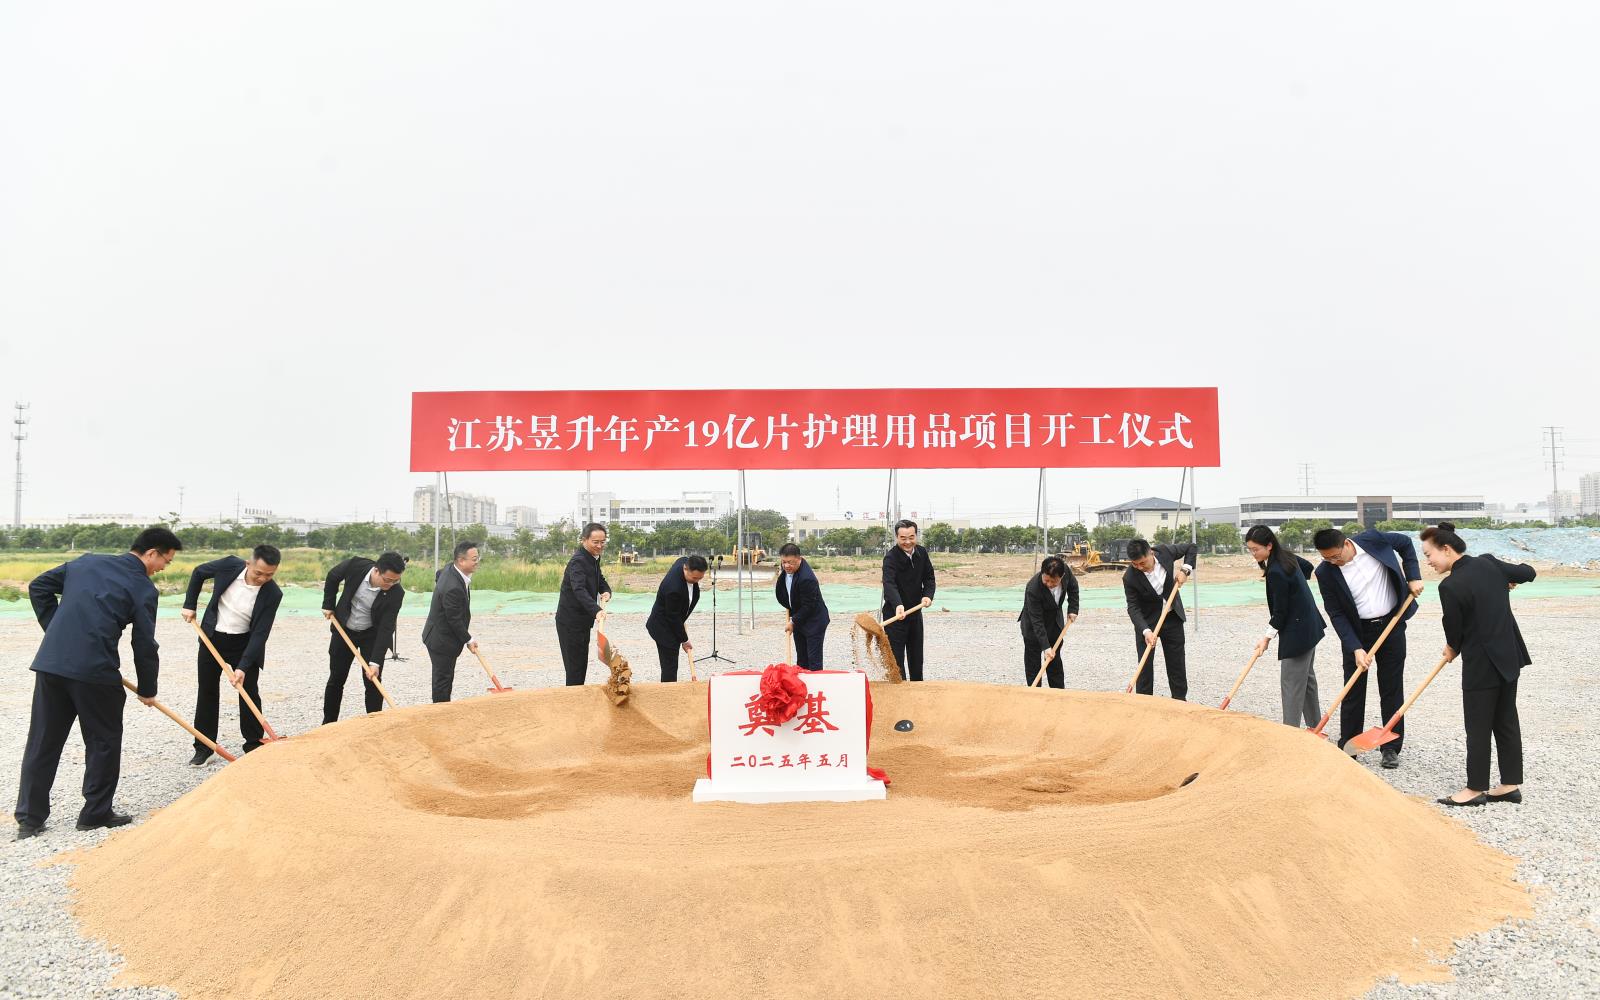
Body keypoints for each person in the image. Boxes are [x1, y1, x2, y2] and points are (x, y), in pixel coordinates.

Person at [15, 527, 181, 840]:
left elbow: (38, 587)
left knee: (43, 741)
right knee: (103, 742)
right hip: (95, 673)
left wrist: (56, 631)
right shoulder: (143, 588)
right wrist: (148, 688)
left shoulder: (86, 562)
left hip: (53, 664)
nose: (163, 568)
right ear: (152, 553)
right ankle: (95, 814)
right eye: (166, 561)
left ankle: (29, 819)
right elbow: (144, 643)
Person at [1422, 522, 1536, 807]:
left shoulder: (1450, 586)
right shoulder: (1489, 564)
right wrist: (1507, 580)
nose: (1428, 562)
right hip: (1508, 657)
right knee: (1506, 721)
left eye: (1429, 555)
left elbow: (1454, 630)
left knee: (1478, 726)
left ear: (1446, 549)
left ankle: (1474, 789)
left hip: (1482, 664)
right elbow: (1528, 573)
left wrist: (1452, 648)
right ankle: (1510, 785)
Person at [1313, 526, 1424, 769]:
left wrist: (1413, 576)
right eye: (1326, 558)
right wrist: (1355, 647)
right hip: (1358, 633)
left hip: (1391, 625)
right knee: (1353, 690)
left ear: (1346, 544)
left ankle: (1390, 747)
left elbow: (1405, 543)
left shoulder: (1373, 540)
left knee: (1391, 687)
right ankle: (1349, 747)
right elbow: (1336, 613)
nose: (1333, 562)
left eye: (1335, 556)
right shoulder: (1325, 572)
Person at [181, 544, 284, 763]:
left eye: (269, 575)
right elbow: (199, 572)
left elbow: (260, 633)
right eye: (258, 573)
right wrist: (190, 604)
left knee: (249, 691)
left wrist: (243, 666)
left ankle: (253, 743)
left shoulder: (273, 593)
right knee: (207, 691)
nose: (263, 579)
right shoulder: (229, 565)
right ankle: (204, 747)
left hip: (244, 644)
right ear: (248, 564)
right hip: (212, 638)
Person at [1245, 526, 1325, 726]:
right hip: (1310, 625)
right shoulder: (1287, 557)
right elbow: (1307, 567)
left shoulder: (1276, 571)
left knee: (1291, 684)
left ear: (1269, 545)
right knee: (1306, 680)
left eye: (1256, 549)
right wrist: (1297, 588)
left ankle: (1290, 732)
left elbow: (1280, 611)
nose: (1253, 553)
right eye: (1250, 549)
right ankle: (1315, 728)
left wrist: (1266, 638)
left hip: (1298, 632)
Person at [321, 551, 406, 723]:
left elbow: (386, 627)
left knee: (373, 681)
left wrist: (375, 662)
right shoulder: (356, 565)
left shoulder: (396, 593)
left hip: (371, 635)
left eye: (395, 581)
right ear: (376, 570)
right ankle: (328, 724)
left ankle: (374, 724)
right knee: (336, 679)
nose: (390, 584)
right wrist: (328, 604)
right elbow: (332, 576)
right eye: (387, 580)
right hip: (344, 631)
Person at [1122, 537, 1197, 699]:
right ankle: (1144, 703)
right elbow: (1133, 608)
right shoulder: (1129, 577)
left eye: (1142, 563)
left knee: (1176, 664)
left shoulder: (1164, 552)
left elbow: (1191, 547)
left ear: (1151, 553)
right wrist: (1145, 631)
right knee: (1145, 668)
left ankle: (1179, 701)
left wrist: (1185, 570)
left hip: (1172, 617)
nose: (1139, 567)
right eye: (1135, 564)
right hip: (1147, 623)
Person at [422, 540, 480, 703]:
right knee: (443, 680)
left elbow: (439, 573)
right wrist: (469, 639)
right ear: (461, 561)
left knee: (445, 677)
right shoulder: (452, 586)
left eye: (477, 558)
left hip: (441, 635)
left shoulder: (451, 569)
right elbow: (454, 619)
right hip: (441, 640)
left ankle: (443, 706)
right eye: (474, 559)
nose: (477, 562)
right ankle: (440, 711)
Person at [555, 523, 612, 686]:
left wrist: (606, 590)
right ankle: (573, 698)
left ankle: (577, 694)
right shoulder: (578, 561)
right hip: (570, 622)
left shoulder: (593, 557)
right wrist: (596, 610)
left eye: (602, 542)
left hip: (582, 621)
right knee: (574, 668)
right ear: (584, 540)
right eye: (595, 542)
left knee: (580, 665)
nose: (599, 546)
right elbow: (579, 589)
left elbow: (599, 578)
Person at [881, 519, 937, 681]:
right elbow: (889, 584)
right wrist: (898, 605)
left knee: (916, 657)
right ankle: (899, 690)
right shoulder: (890, 558)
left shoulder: (922, 553)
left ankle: (917, 688)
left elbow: (929, 578)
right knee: (896, 660)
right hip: (895, 615)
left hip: (915, 612)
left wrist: (927, 595)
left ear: (916, 536)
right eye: (903, 538)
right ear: (896, 537)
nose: (907, 542)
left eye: (911, 537)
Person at [1018, 555, 1079, 688]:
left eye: (1053, 582)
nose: (1050, 584)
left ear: (1061, 576)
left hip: (1054, 624)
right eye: (1046, 580)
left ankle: (1057, 693)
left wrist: (1073, 609)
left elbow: (1073, 587)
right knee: (1033, 665)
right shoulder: (1033, 588)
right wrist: (1046, 647)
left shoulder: (1065, 571)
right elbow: (1037, 621)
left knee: (1054, 662)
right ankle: (1035, 694)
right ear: (1042, 573)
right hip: (1033, 628)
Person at [645, 554, 707, 681]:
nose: (697, 581)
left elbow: (682, 558)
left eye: (700, 578)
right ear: (685, 569)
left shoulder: (684, 561)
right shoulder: (673, 588)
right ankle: (668, 689)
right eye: (694, 578)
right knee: (670, 665)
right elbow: (673, 618)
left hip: (674, 617)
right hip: (663, 627)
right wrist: (684, 640)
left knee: (670, 663)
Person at [776, 543, 830, 670]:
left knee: (814, 661)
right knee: (802, 659)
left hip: (814, 621)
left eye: (790, 562)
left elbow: (808, 606)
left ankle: (816, 682)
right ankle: (801, 681)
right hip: (800, 617)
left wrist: (793, 622)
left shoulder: (807, 579)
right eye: (784, 562)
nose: (786, 566)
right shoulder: (788, 569)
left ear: (799, 559)